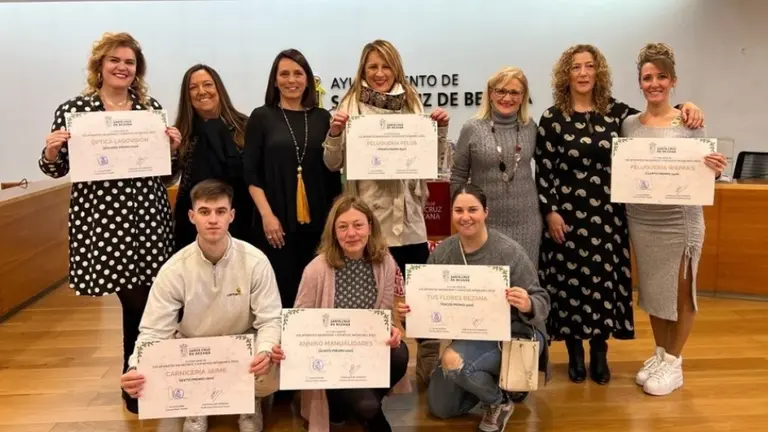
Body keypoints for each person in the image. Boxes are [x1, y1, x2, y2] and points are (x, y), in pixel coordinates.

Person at [535, 43, 705, 385]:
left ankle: (600, 353)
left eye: (589, 66)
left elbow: (657, 115)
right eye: (576, 67)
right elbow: (544, 170)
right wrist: (550, 212)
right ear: (565, 74)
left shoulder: (618, 115)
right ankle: (574, 354)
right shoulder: (552, 118)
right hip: (565, 220)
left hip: (609, 219)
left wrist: (688, 105)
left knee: (603, 285)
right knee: (570, 287)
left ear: (599, 73)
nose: (583, 73)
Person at [38, 32, 181, 414]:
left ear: (138, 71)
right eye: (115, 60)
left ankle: (141, 378)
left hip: (148, 218)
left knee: (151, 298)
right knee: (136, 300)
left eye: (130, 62)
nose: (122, 67)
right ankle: (136, 378)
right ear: (99, 65)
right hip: (103, 221)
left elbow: (167, 177)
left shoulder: (150, 110)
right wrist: (51, 150)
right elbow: (57, 169)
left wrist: (172, 150)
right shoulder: (75, 110)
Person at [323, 39, 450, 383]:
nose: (379, 74)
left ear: (396, 68)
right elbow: (332, 163)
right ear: (363, 70)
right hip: (368, 220)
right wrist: (335, 133)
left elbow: (432, 164)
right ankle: (363, 368)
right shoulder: (350, 104)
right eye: (372, 67)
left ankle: (428, 365)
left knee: (420, 294)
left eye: (386, 66)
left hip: (408, 218)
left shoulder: (412, 101)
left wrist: (439, 130)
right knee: (366, 294)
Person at [118, 179, 283, 431]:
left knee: (273, 366)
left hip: (241, 346)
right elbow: (153, 330)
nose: (213, 219)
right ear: (192, 216)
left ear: (232, 215)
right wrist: (136, 366)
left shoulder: (255, 262)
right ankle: (196, 403)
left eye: (220, 212)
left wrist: (265, 349)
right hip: (193, 353)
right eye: (205, 212)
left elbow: (270, 319)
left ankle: (251, 401)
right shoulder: (174, 269)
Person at [398, 184, 550, 432]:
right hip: (470, 335)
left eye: (473, 210)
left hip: (514, 334)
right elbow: (426, 315)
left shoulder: (509, 251)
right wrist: (409, 316)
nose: (465, 217)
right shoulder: (443, 253)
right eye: (458, 210)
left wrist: (528, 302)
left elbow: (542, 301)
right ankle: (490, 382)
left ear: (486, 212)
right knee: (440, 408)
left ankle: (498, 402)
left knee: (453, 360)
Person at [621, 43, 726, 396]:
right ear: (639, 83)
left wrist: (713, 169)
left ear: (673, 81)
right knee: (653, 292)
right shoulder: (629, 124)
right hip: (642, 221)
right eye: (647, 78)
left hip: (679, 222)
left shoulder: (689, 122)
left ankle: (675, 364)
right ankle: (660, 353)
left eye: (661, 77)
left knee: (681, 295)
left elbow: (703, 175)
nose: (654, 83)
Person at [270, 194, 409, 432]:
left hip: (366, 351)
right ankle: (348, 407)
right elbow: (300, 320)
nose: (351, 233)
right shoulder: (316, 269)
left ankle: (354, 404)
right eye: (342, 227)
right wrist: (285, 344)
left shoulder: (385, 262)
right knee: (368, 407)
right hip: (331, 358)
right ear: (334, 232)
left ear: (370, 227)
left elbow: (384, 314)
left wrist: (392, 331)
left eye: (358, 225)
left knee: (399, 354)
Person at [243, 49, 342, 310]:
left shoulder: (322, 118)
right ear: (274, 80)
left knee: (316, 295)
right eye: (284, 74)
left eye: (298, 73)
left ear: (308, 79)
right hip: (276, 224)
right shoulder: (261, 117)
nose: (291, 80)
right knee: (281, 294)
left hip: (318, 224)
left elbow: (332, 173)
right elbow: (251, 173)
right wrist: (267, 216)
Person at [450, 66, 542, 266]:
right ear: (490, 94)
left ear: (523, 96)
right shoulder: (472, 128)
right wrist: (463, 215)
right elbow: (458, 176)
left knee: (522, 288)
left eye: (514, 92)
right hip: (483, 224)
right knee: (487, 290)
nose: (506, 98)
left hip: (526, 224)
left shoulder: (531, 128)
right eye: (500, 90)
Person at [172, 64, 254, 251]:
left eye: (207, 84)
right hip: (192, 226)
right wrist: (171, 151)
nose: (201, 92)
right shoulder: (181, 132)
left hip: (242, 220)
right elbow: (169, 179)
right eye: (193, 87)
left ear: (218, 88)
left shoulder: (244, 127)